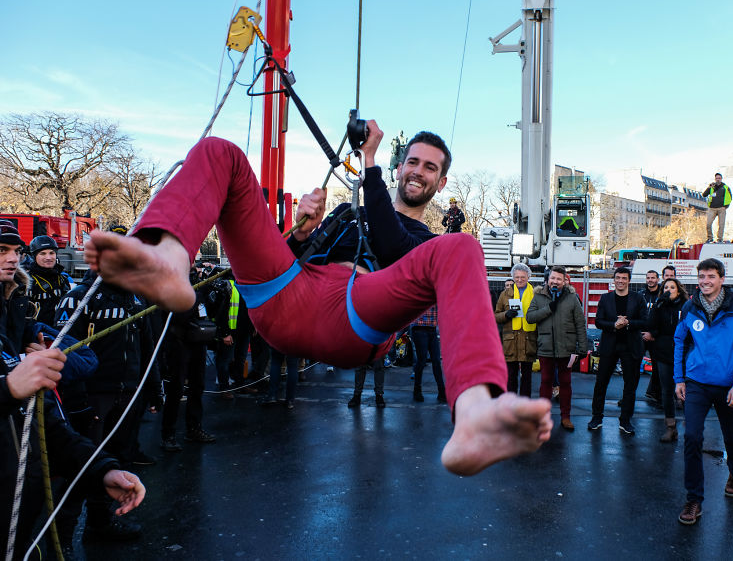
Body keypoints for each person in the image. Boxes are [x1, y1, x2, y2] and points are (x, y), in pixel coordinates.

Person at [83, 120, 552, 476]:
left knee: (462, 247)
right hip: (286, 297)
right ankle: (166, 255)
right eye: (412, 161)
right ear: (400, 166)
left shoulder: (423, 238)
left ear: (441, 183)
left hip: (352, 313)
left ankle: (474, 413)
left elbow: (389, 244)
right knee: (220, 152)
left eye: (430, 167)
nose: (418, 172)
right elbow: (286, 257)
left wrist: (368, 160)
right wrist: (300, 232)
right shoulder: (349, 210)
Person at [0, 342, 146, 560]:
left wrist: (102, 469)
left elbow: (47, 427)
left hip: (22, 537)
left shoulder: (5, 338)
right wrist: (7, 390)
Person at [54, 268, 156, 541]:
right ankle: (61, 539)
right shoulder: (77, 299)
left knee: (116, 461)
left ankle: (100, 523)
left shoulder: (136, 299)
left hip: (128, 392)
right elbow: (64, 353)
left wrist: (154, 389)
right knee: (78, 467)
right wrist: (77, 402)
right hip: (93, 395)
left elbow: (147, 347)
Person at [673, 258, 733, 525]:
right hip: (697, 383)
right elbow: (679, 341)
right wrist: (679, 379)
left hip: (729, 385)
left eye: (710, 276)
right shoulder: (690, 306)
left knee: (731, 436)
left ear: (722, 278)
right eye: (701, 276)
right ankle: (694, 499)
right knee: (691, 437)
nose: (705, 281)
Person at [159, 266, 216, 451]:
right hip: (179, 342)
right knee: (176, 389)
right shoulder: (170, 285)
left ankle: (194, 428)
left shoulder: (197, 285)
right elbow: (178, 314)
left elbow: (207, 310)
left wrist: (211, 292)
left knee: (198, 385)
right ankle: (168, 433)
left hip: (197, 341)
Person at [526, 266, 587, 432]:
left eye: (559, 279)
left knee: (565, 383)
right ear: (548, 279)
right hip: (546, 347)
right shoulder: (538, 296)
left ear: (564, 281)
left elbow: (580, 324)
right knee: (545, 382)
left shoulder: (572, 297)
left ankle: (565, 417)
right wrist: (548, 309)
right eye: (553, 278)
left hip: (566, 348)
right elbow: (530, 317)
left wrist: (582, 348)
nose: (555, 281)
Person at [589, 267, 647, 435]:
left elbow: (645, 321)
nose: (621, 281)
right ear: (613, 280)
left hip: (631, 346)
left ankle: (625, 420)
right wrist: (614, 325)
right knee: (601, 383)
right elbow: (599, 322)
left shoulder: (638, 298)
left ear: (629, 280)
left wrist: (628, 323)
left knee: (630, 386)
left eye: (624, 278)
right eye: (618, 278)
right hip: (610, 345)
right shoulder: (606, 298)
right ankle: (596, 417)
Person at [648, 278, 688, 442]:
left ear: (678, 290)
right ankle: (671, 427)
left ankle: (692, 426)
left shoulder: (686, 305)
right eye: (666, 287)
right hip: (664, 352)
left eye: (672, 287)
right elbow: (651, 326)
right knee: (667, 390)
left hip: (683, 353)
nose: (669, 290)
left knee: (687, 391)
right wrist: (658, 305)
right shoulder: (660, 305)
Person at [495, 264, 538, 398]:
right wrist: (506, 314)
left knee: (527, 377)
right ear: (513, 277)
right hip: (510, 341)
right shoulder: (504, 294)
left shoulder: (536, 294)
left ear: (528, 277)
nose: (519, 280)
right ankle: (510, 404)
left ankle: (525, 405)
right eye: (517, 277)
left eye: (523, 277)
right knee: (511, 376)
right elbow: (495, 315)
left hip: (528, 339)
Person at [0, 220, 37, 354]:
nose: (14, 259)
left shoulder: (17, 292)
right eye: (2, 250)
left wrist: (33, 345)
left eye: (17, 251)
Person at [26, 235, 72, 326]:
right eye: (42, 253)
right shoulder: (27, 281)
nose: (48, 257)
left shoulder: (62, 279)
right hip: (36, 333)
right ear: (34, 256)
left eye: (51, 253)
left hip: (59, 332)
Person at [411, 305, 446, 403]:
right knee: (422, 361)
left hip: (432, 329)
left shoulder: (436, 292)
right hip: (419, 327)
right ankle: (417, 391)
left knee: (436, 361)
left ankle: (442, 392)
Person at [640, 270, 662, 408]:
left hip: (655, 337)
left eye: (653, 278)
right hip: (641, 335)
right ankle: (627, 397)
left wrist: (653, 333)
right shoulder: (641, 295)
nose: (650, 280)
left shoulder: (662, 295)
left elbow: (664, 318)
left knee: (658, 368)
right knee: (633, 366)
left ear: (658, 279)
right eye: (648, 278)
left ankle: (657, 396)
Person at [702, 172, 732, 243]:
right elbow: (704, 195)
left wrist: (726, 206)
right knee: (708, 224)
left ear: (721, 179)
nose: (718, 180)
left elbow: (730, 197)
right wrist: (709, 187)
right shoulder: (712, 187)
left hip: (721, 208)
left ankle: (720, 239)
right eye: (716, 178)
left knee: (721, 224)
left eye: (719, 178)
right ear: (715, 179)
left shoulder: (725, 187)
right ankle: (710, 238)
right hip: (712, 208)